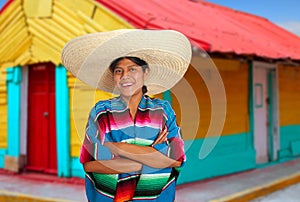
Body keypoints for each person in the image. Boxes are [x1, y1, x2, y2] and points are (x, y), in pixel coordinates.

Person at [61, 29, 192, 202]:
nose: (125, 76)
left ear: (145, 73)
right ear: (113, 77)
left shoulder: (163, 111)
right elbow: (89, 163)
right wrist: (149, 157)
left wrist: (114, 147)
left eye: (132, 69)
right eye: (118, 71)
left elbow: (176, 159)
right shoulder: (102, 112)